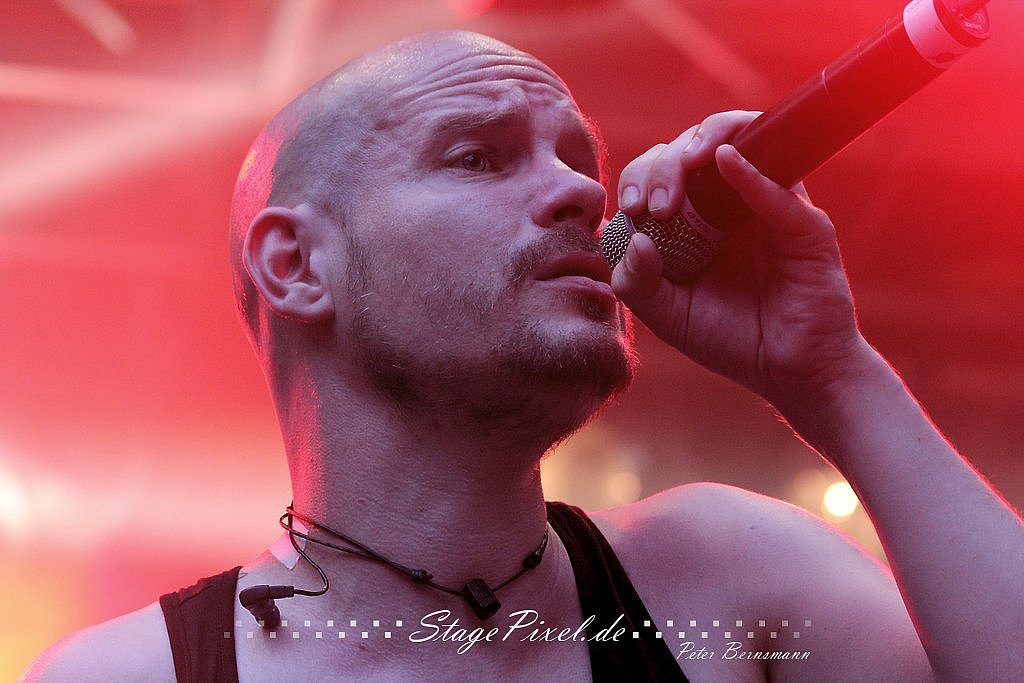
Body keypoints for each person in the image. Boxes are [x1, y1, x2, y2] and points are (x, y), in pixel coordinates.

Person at [22, 30, 1023, 682]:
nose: (584, 194)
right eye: (479, 156)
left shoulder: (734, 580)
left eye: (578, 160)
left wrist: (833, 376)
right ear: (297, 264)